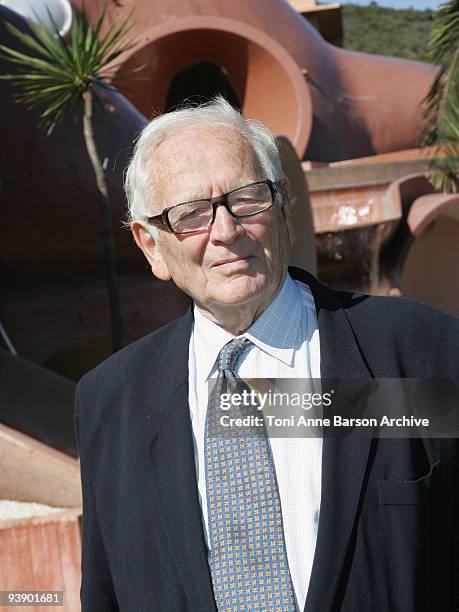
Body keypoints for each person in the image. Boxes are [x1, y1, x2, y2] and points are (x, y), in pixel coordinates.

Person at [74, 97, 459, 611]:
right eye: (190, 215)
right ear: (150, 246)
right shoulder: (111, 402)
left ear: (284, 208)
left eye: (248, 198)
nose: (226, 231)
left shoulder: (418, 349)